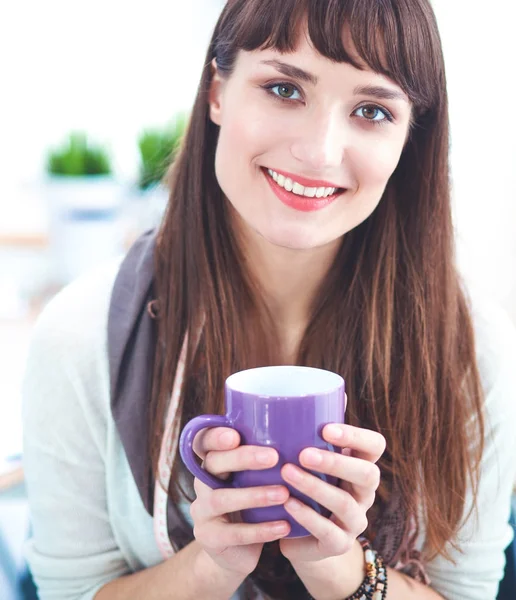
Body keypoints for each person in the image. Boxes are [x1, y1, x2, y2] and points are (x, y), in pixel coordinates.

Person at [21, 0, 516, 599]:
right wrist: (210, 568)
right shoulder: (81, 338)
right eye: (284, 89)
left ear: (410, 138)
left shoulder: (473, 349)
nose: (319, 151)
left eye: (370, 109)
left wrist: (342, 573)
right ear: (218, 92)